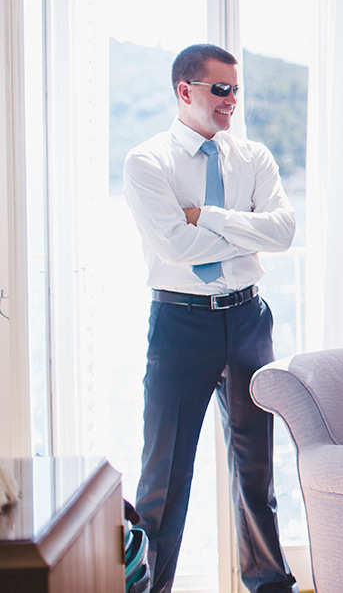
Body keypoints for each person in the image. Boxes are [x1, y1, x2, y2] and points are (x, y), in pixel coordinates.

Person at [123, 43, 297, 593]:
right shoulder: (147, 162)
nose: (231, 102)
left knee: (256, 470)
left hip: (248, 320)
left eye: (235, 90)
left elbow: (284, 233)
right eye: (220, 90)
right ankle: (152, 588)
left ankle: (269, 584)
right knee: (164, 478)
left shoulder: (254, 158)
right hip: (180, 326)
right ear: (186, 91)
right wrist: (244, 227)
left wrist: (210, 217)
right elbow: (174, 245)